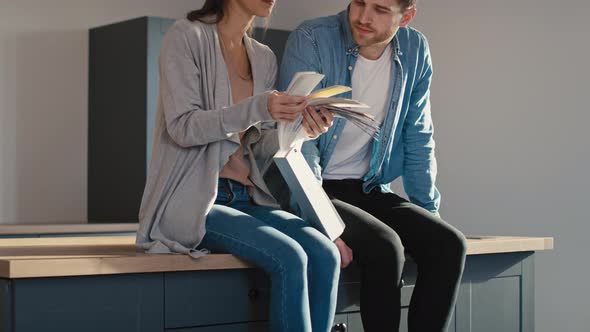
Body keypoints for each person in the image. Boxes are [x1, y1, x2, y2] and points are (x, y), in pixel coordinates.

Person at [135, 1, 343, 331]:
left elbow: (259, 146)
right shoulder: (186, 37)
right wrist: (259, 106)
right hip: (197, 201)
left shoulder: (263, 56)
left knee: (325, 255)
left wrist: (303, 130)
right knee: (290, 258)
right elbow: (183, 126)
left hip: (247, 198)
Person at [277, 0, 467, 331]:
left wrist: (426, 213)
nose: (363, 17)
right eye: (359, 3)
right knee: (385, 247)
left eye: (380, 9)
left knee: (449, 244)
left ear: (405, 17)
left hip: (369, 187)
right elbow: (295, 139)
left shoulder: (414, 49)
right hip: (316, 188)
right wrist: (322, 220)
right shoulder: (312, 38)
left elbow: (418, 134)